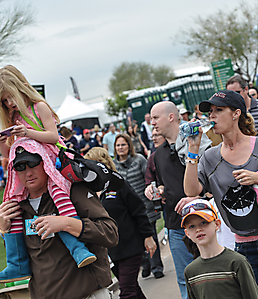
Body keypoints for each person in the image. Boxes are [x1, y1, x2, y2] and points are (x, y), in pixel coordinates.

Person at [180, 90, 258, 298]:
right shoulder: (210, 157)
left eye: (218, 110)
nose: (212, 116)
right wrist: (193, 150)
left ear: (236, 113)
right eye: (210, 111)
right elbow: (191, 191)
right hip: (243, 247)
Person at [0, 65, 96, 283]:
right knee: (12, 206)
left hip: (52, 164)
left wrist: (27, 132)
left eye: (10, 97)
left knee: (60, 198)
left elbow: (54, 137)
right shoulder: (13, 116)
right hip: (26, 166)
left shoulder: (39, 107)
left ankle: (78, 249)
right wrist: (3, 144)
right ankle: (16, 263)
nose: (9, 103)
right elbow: (11, 154)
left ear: (21, 87)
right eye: (4, 101)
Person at [0, 140, 119, 298]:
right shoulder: (17, 208)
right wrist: (4, 230)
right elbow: (24, 257)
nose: (28, 173)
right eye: (20, 167)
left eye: (32, 163)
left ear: (45, 161)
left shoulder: (71, 191)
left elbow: (110, 233)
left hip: (88, 294)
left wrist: (67, 223)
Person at [85, 147, 156, 299]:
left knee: (126, 291)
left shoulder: (118, 184)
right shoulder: (89, 192)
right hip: (111, 252)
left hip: (130, 246)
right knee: (132, 288)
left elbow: (138, 210)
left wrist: (148, 236)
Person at [145, 101, 199, 299]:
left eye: (155, 118)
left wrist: (196, 197)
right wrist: (154, 191)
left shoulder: (198, 141)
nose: (152, 123)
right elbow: (163, 184)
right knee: (186, 279)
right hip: (176, 225)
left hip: (204, 220)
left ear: (171, 117)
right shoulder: (157, 155)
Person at [182, 199, 258, 299]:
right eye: (192, 226)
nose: (198, 229)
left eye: (203, 222)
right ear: (187, 233)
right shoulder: (190, 271)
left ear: (217, 224)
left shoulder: (237, 262)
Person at [113, 134, 164, 279]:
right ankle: (145, 264)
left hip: (144, 206)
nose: (121, 148)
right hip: (127, 210)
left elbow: (148, 180)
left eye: (123, 144)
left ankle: (156, 266)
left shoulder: (139, 160)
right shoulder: (114, 166)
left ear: (129, 145)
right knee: (135, 239)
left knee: (151, 235)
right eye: (118, 145)